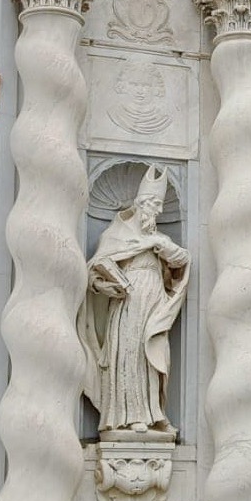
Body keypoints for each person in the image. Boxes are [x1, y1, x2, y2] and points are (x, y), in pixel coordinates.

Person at [81, 164, 190, 436]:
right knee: (129, 356)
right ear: (140, 204)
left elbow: (182, 259)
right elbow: (93, 271)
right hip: (127, 303)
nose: (159, 211)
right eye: (154, 205)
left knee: (154, 355)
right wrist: (105, 286)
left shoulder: (160, 240)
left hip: (155, 303)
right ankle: (129, 416)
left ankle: (155, 413)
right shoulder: (117, 236)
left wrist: (157, 245)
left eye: (160, 206)